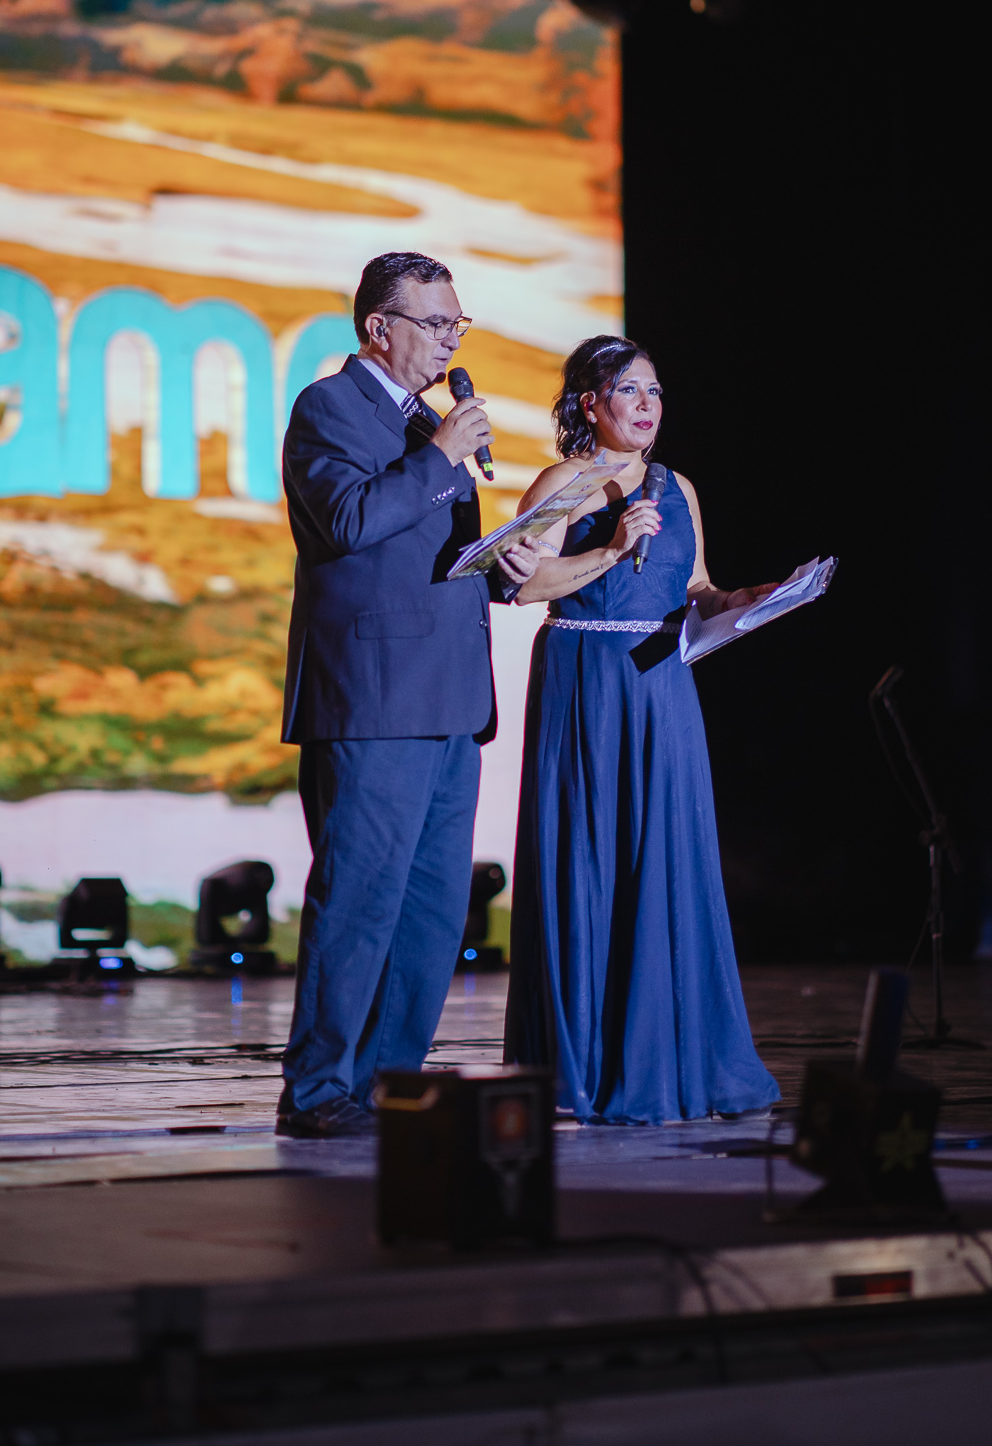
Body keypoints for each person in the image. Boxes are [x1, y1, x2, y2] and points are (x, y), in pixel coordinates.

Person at [276, 251, 540, 1137]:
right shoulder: (328, 408)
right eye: (435, 324)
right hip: (374, 697)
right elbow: (348, 521)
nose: (450, 341)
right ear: (378, 328)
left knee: (429, 916)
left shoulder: (429, 424)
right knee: (358, 902)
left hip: (451, 697)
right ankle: (318, 1092)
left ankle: (390, 1084)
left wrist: (502, 564)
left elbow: (426, 555)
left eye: (457, 324)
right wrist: (438, 457)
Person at [504, 334, 781, 1123]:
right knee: (590, 856)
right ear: (589, 403)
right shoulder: (564, 482)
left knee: (664, 856)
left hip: (661, 685)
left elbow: (694, 585)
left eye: (654, 391)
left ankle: (672, 1055)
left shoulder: (677, 487)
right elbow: (523, 585)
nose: (646, 404)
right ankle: (585, 1065)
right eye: (629, 390)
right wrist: (611, 548)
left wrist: (742, 601)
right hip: (587, 678)